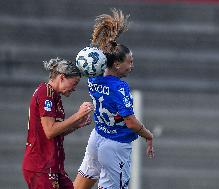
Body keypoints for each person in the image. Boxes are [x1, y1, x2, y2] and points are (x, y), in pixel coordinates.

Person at [73, 9, 154, 189]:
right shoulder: (119, 88)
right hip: (115, 144)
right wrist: (148, 135)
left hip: (97, 136)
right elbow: (131, 122)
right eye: (129, 61)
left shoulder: (94, 76)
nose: (132, 66)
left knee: (80, 184)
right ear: (117, 64)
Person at [22, 58, 94, 189]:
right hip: (41, 166)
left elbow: (56, 132)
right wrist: (78, 114)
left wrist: (76, 125)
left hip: (54, 166)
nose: (74, 88)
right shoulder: (45, 93)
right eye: (74, 83)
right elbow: (50, 131)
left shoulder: (55, 97)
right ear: (62, 78)